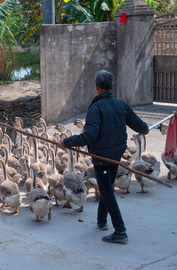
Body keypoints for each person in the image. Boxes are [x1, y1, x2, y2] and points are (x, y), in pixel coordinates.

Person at [58, 70, 149, 244]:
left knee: (106, 192)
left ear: (97, 87)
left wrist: (67, 142)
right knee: (106, 186)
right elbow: (140, 126)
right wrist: (145, 129)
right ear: (111, 87)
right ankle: (101, 221)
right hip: (116, 154)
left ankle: (120, 231)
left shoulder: (95, 108)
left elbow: (89, 136)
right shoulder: (122, 104)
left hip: (102, 157)